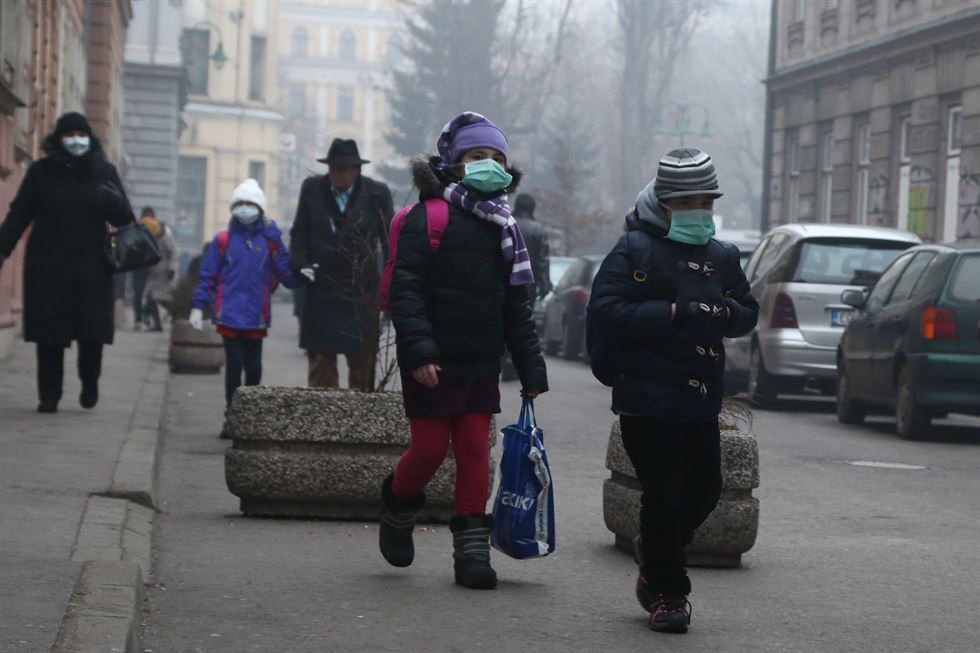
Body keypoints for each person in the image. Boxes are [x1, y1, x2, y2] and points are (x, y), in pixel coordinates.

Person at [587, 148, 759, 633]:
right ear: (663, 203)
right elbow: (605, 309)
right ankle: (668, 592)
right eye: (686, 203)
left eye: (704, 202)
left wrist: (726, 315)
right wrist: (672, 313)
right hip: (644, 398)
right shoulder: (634, 250)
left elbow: (748, 310)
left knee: (703, 493)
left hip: (699, 398)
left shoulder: (721, 255)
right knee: (663, 494)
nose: (697, 212)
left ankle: (653, 549)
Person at [379, 112, 549, 590]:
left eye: (497, 158)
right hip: (431, 361)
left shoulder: (506, 228)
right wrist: (419, 352)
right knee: (430, 449)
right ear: (454, 163)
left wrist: (530, 365)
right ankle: (395, 505)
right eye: (478, 157)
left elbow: (519, 305)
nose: (489, 166)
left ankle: (472, 551)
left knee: (476, 450)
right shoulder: (424, 217)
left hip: (479, 361)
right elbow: (407, 291)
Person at [0, 112, 134, 413]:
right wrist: (2, 248)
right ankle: (49, 395)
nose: (76, 140)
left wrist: (116, 205)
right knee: (49, 337)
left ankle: (89, 382)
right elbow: (19, 214)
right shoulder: (40, 173)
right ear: (58, 138)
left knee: (91, 336)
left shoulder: (104, 172)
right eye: (69, 134)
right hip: (48, 269)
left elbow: (125, 219)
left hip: (93, 271)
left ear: (90, 138)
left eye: (81, 134)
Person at [289, 138, 394, 391]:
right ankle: (324, 424)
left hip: (361, 293)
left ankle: (361, 423)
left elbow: (390, 242)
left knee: (363, 367)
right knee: (321, 368)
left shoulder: (377, 194)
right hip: (321, 288)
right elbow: (299, 232)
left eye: (345, 168)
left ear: (357, 170)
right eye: (334, 167)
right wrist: (301, 263)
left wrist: (391, 284)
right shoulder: (312, 189)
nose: (339, 173)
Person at [190, 179, 298, 421]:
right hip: (228, 314)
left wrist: (304, 275)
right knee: (234, 364)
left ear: (259, 208)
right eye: (240, 203)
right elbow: (207, 276)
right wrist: (198, 307)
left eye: (250, 203)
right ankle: (233, 412)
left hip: (255, 316)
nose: (245, 208)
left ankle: (249, 412)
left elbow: (285, 273)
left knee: (255, 367)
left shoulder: (271, 241)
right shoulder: (223, 241)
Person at [501, 193, 551, 381]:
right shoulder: (538, 230)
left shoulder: (506, 221)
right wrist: (545, 284)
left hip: (503, 278)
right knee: (521, 321)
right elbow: (542, 261)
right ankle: (513, 359)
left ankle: (502, 356)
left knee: (501, 316)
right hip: (527, 282)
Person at [138, 208, 178, 331]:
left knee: (162, 299)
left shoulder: (166, 237)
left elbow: (174, 253)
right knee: (151, 298)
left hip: (165, 274)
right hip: (154, 273)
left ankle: (177, 314)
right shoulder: (149, 235)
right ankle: (158, 324)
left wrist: (172, 269)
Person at [130, 207, 155, 329]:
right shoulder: (136, 229)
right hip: (139, 266)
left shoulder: (156, 230)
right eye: (146, 216)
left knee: (152, 294)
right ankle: (138, 319)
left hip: (152, 268)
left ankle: (146, 314)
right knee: (138, 293)